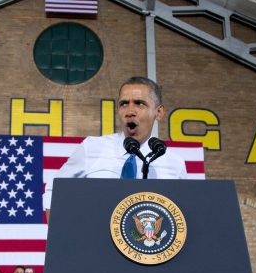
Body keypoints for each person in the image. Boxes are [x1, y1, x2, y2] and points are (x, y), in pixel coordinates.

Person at [43, 76, 187, 211]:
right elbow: (54, 190)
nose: (130, 111)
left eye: (139, 103)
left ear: (159, 112)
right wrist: (60, 236)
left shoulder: (174, 164)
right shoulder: (91, 148)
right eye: (124, 104)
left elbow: (183, 210)